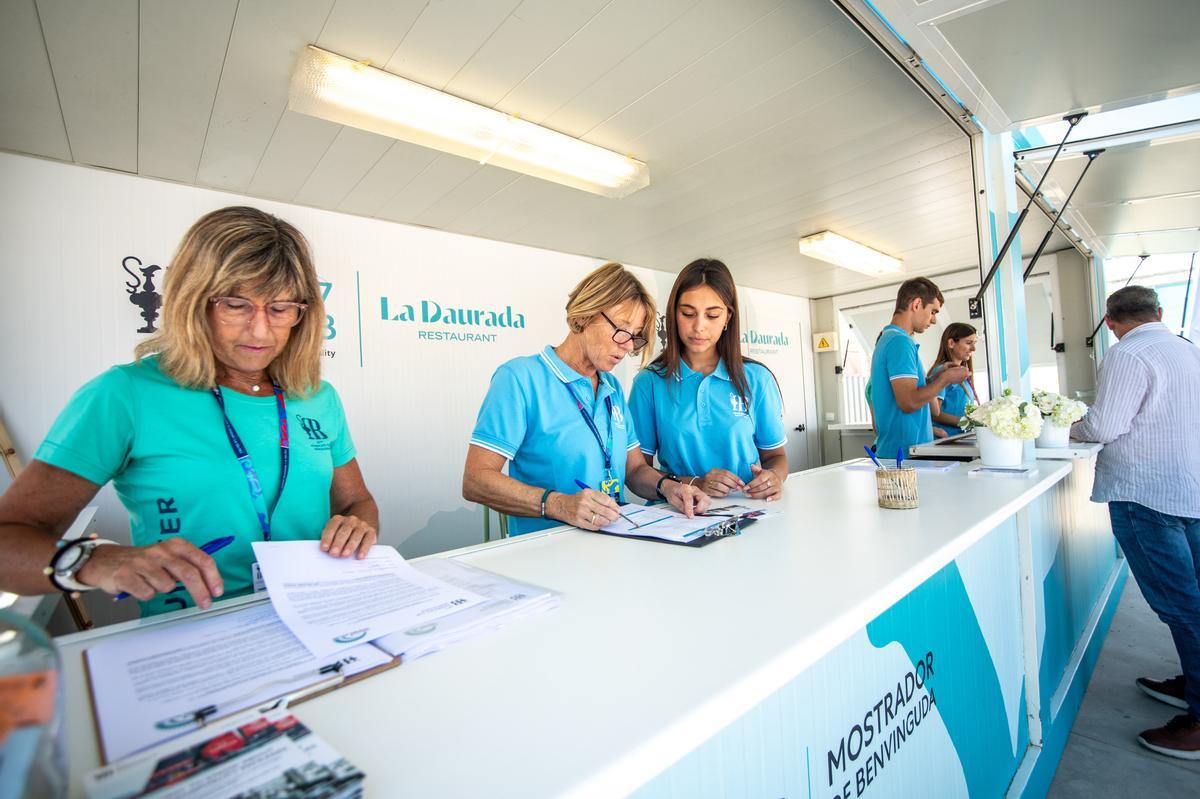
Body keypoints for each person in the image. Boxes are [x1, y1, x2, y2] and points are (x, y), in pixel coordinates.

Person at [0, 207, 378, 616]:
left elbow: (357, 502)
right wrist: (94, 561)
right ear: (194, 300)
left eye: (280, 308)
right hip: (196, 640)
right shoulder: (126, 394)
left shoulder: (318, 397)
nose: (260, 331)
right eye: (236, 305)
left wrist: (359, 526)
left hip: (319, 616)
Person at [462, 263, 709, 535]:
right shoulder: (520, 378)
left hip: (612, 546)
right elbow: (476, 479)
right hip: (546, 554)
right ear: (584, 315)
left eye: (635, 337)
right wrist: (558, 504)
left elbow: (636, 469)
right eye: (622, 330)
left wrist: (669, 487)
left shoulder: (611, 386)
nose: (628, 346)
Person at [1070, 285, 1200, 758]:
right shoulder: (1188, 350)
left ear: (1110, 321)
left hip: (1144, 495)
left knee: (1183, 608)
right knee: (1193, 602)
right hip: (1189, 492)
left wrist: (1068, 427)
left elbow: (1103, 427)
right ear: (1159, 312)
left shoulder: (1127, 355)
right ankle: (1191, 683)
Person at [628, 258, 787, 500]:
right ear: (673, 314)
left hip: (749, 511)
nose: (699, 326)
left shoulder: (757, 378)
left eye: (712, 315)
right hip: (679, 518)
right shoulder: (649, 383)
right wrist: (694, 484)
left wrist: (774, 477)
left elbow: (776, 457)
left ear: (728, 318)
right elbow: (637, 474)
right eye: (688, 313)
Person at [869, 278, 969, 459]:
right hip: (904, 456)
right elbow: (909, 402)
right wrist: (945, 380)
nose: (933, 320)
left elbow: (909, 390)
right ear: (916, 304)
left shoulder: (890, 338)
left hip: (907, 452)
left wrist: (937, 376)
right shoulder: (900, 342)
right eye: (932, 312)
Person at [928, 323, 978, 437]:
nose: (974, 349)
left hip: (959, 440)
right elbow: (934, 413)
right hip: (943, 440)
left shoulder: (963, 376)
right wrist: (967, 422)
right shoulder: (941, 372)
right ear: (951, 343)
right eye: (969, 343)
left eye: (974, 343)